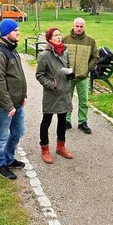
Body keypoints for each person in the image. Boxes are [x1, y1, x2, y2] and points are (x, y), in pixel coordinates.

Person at [0, 19, 28, 180]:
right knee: (2, 136)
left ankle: (9, 159)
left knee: (18, 132)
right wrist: (8, 106)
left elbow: (17, 75)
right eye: (15, 30)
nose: (18, 32)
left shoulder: (11, 49)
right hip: (3, 106)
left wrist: (23, 95)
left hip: (16, 103)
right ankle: (0, 165)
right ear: (7, 32)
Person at [36, 27, 75, 163]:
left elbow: (68, 66)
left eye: (60, 34)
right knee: (46, 121)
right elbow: (39, 75)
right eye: (55, 35)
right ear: (50, 39)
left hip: (64, 92)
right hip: (52, 94)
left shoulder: (65, 52)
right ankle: (45, 149)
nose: (59, 37)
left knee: (62, 121)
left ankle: (61, 146)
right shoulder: (44, 56)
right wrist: (52, 85)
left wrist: (71, 74)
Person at [63, 17, 98, 134]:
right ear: (73, 26)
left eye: (81, 26)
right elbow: (59, 56)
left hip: (83, 76)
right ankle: (66, 120)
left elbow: (95, 56)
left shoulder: (90, 41)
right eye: (77, 26)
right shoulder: (65, 40)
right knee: (67, 99)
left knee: (84, 101)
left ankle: (82, 122)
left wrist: (88, 68)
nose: (79, 28)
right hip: (69, 76)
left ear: (84, 27)